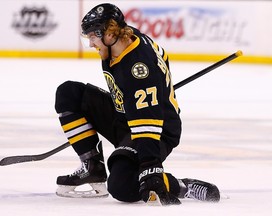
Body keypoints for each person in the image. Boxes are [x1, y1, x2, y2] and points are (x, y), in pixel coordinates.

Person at [54, 3, 220, 205]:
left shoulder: (138, 69)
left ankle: (181, 185)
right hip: (126, 114)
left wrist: (151, 168)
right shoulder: (124, 39)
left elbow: (147, 123)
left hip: (157, 129)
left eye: (92, 37)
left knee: (122, 186)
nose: (91, 44)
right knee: (69, 93)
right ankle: (92, 168)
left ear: (108, 34)